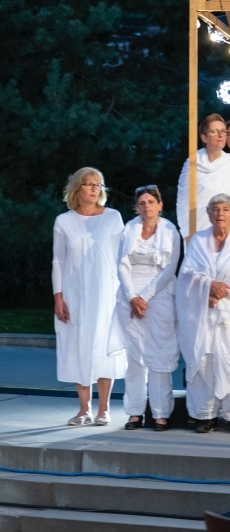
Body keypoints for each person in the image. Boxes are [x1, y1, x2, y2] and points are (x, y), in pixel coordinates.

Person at [176, 195, 230, 434]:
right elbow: (187, 274)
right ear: (209, 214)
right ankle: (204, 415)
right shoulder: (197, 241)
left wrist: (223, 292)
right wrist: (207, 287)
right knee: (203, 361)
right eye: (215, 209)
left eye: (225, 209)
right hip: (202, 312)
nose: (220, 213)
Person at [52, 167, 127, 426]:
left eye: (99, 184)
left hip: (107, 293)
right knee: (78, 345)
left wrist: (126, 292)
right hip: (75, 293)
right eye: (89, 184)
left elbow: (123, 257)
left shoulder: (113, 218)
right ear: (77, 188)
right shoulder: (64, 221)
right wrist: (58, 296)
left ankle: (104, 409)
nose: (95, 188)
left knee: (104, 346)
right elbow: (58, 260)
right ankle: (83, 409)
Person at [108, 185, 181, 431]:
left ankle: (161, 413)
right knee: (134, 357)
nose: (147, 206)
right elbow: (121, 265)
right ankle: (135, 412)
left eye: (151, 202)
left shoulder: (171, 230)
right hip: (130, 297)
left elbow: (170, 268)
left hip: (159, 294)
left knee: (159, 354)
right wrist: (131, 296)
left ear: (160, 205)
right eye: (142, 203)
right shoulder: (129, 229)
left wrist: (146, 297)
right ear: (136, 206)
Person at [176, 114, 230, 238]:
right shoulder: (193, 163)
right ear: (204, 137)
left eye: (223, 131)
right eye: (214, 131)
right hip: (198, 233)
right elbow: (183, 202)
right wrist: (187, 233)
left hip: (228, 232)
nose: (221, 135)